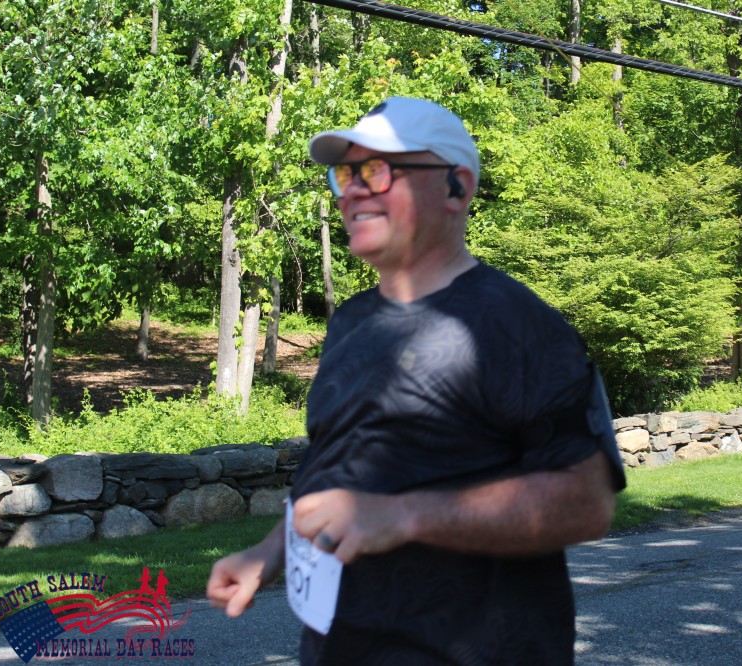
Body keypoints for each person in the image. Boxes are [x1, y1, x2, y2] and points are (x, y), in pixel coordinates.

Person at [207, 96, 626, 664]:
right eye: (346, 174)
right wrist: (268, 554)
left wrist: (403, 516)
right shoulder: (351, 323)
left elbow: (586, 503)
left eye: (378, 170)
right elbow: (332, 476)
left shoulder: (520, 328)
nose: (353, 191)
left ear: (457, 187)